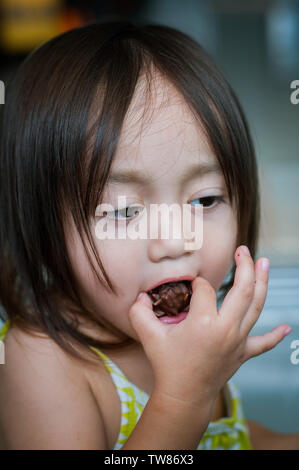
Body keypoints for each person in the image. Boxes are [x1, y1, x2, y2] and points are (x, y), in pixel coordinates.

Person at [0, 19, 298, 450]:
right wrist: (184, 396)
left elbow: (223, 439)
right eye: (123, 210)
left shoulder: (196, 339)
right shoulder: (41, 362)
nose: (176, 240)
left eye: (205, 200)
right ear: (44, 229)